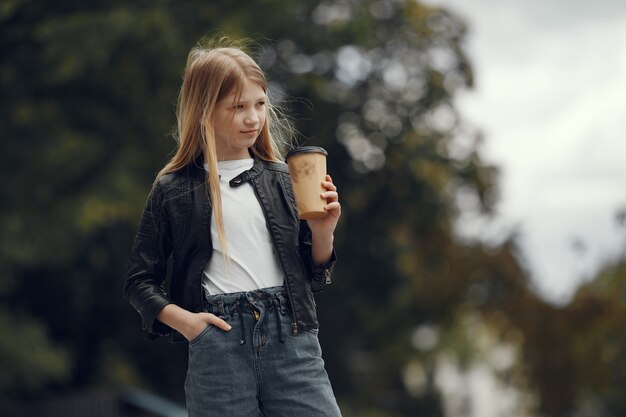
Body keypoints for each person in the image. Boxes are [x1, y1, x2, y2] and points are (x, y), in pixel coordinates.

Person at [124, 37, 343, 417]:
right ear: (205, 110)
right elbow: (139, 281)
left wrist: (324, 232)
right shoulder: (173, 189)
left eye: (260, 104)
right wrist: (190, 324)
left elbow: (315, 275)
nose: (253, 118)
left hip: (293, 342)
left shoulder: (284, 179)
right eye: (238, 107)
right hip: (218, 347)